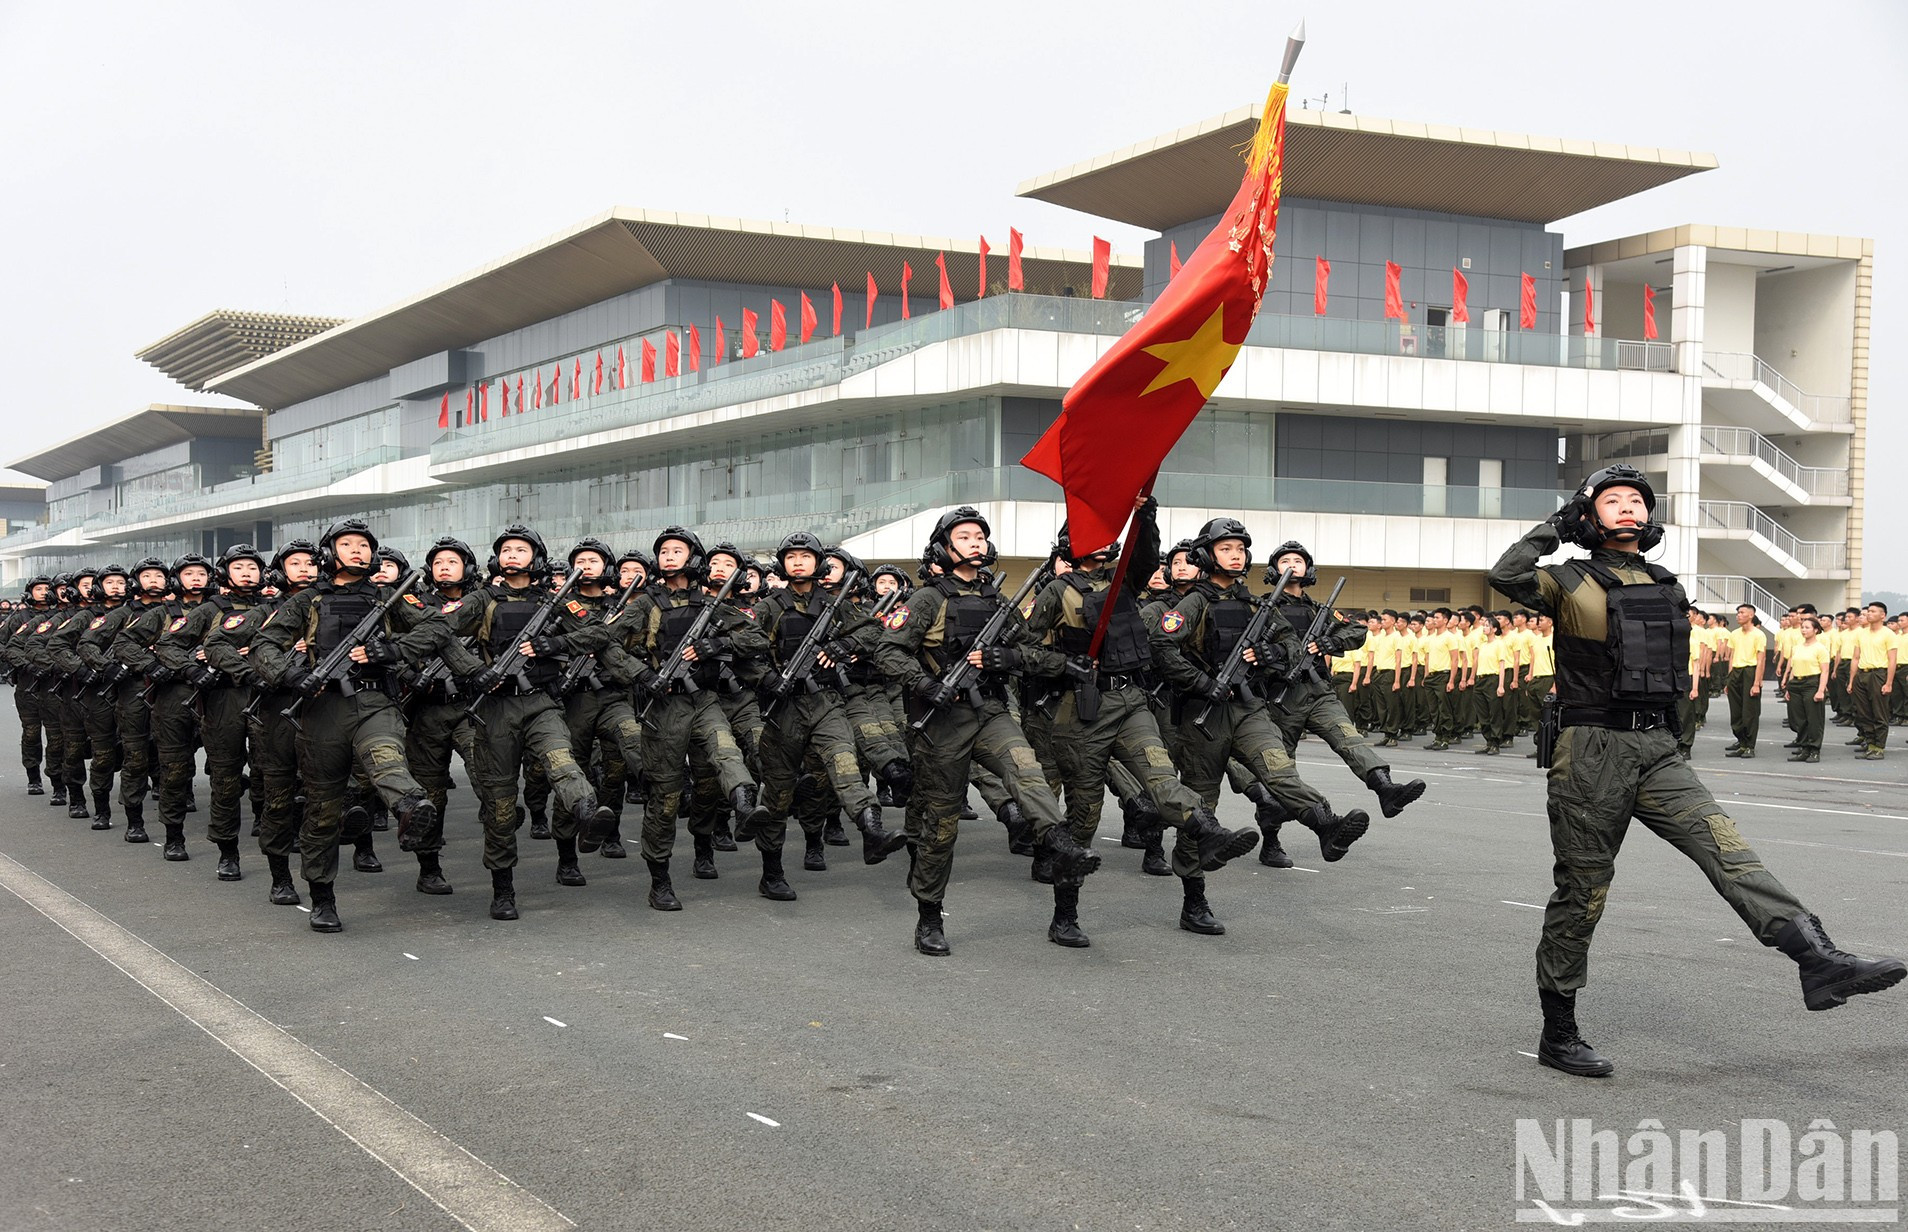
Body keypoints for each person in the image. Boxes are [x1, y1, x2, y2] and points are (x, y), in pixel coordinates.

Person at [1489, 463, 1903, 1078]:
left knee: (1729, 851)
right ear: (1588, 514)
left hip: (1656, 748)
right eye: (1613, 501)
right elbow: (1505, 575)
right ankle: (1560, 1030)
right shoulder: (1565, 579)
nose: (1628, 507)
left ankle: (1816, 959)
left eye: (1637, 500)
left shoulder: (1664, 582)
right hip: (1591, 751)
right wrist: (1557, 526)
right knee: (1583, 893)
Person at [1025, 501, 1258, 947]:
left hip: (1131, 700)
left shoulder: (1122, 582)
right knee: (1084, 818)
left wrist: (1144, 516)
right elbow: (1027, 652)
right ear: (1070, 544)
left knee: (1159, 774)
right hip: (1081, 710)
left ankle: (1207, 836)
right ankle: (1065, 915)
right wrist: (1065, 663)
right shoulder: (1057, 592)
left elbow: (1146, 559)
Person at [876, 506, 1103, 955]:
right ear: (944, 546)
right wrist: (926, 683)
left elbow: (1029, 649)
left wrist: (1014, 661)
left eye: (980, 535)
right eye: (964, 536)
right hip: (940, 723)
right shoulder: (927, 599)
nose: (976, 542)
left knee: (1026, 769)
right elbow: (888, 651)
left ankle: (1057, 840)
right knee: (940, 826)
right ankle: (928, 916)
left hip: (991, 712)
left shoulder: (997, 601)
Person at [249, 518, 444, 932]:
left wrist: (390, 650)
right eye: (347, 544)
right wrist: (288, 674)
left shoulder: (389, 595)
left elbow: (438, 626)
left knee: (386, 755)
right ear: (330, 552)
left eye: (363, 545)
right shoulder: (308, 600)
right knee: (322, 808)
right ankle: (322, 896)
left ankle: (410, 806)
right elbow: (264, 643)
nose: (357, 550)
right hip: (322, 709)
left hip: (375, 699)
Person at [1846, 601, 1897, 759]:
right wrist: (1851, 680)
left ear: (1883, 615)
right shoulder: (1861, 633)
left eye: (1873, 611)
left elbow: (1892, 661)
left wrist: (1888, 683)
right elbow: (1855, 658)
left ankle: (1879, 747)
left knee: (1879, 712)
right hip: (1862, 674)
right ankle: (1870, 743)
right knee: (1863, 713)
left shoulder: (1888, 634)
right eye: (1868, 611)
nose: (1869, 614)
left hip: (1878, 674)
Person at [1783, 614, 1830, 763]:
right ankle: (1804, 748)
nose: (1803, 630)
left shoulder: (1820, 648)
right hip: (1796, 683)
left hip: (1812, 683)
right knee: (1800, 719)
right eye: (1802, 627)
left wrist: (1821, 690)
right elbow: (1793, 668)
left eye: (1807, 627)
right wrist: (1789, 688)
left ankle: (1814, 749)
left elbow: (1825, 671)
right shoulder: (1797, 647)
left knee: (1814, 718)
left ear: (1816, 630)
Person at [1723, 604, 1766, 758]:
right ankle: (1741, 743)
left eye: (1742, 613)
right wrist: (1729, 679)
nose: (1738, 615)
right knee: (1735, 711)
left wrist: (1756, 683)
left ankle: (1749, 746)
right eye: (1737, 613)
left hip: (1750, 671)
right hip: (1736, 672)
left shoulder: (1758, 635)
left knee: (1749, 712)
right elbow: (1732, 657)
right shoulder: (1734, 634)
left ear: (1750, 615)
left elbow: (1761, 660)